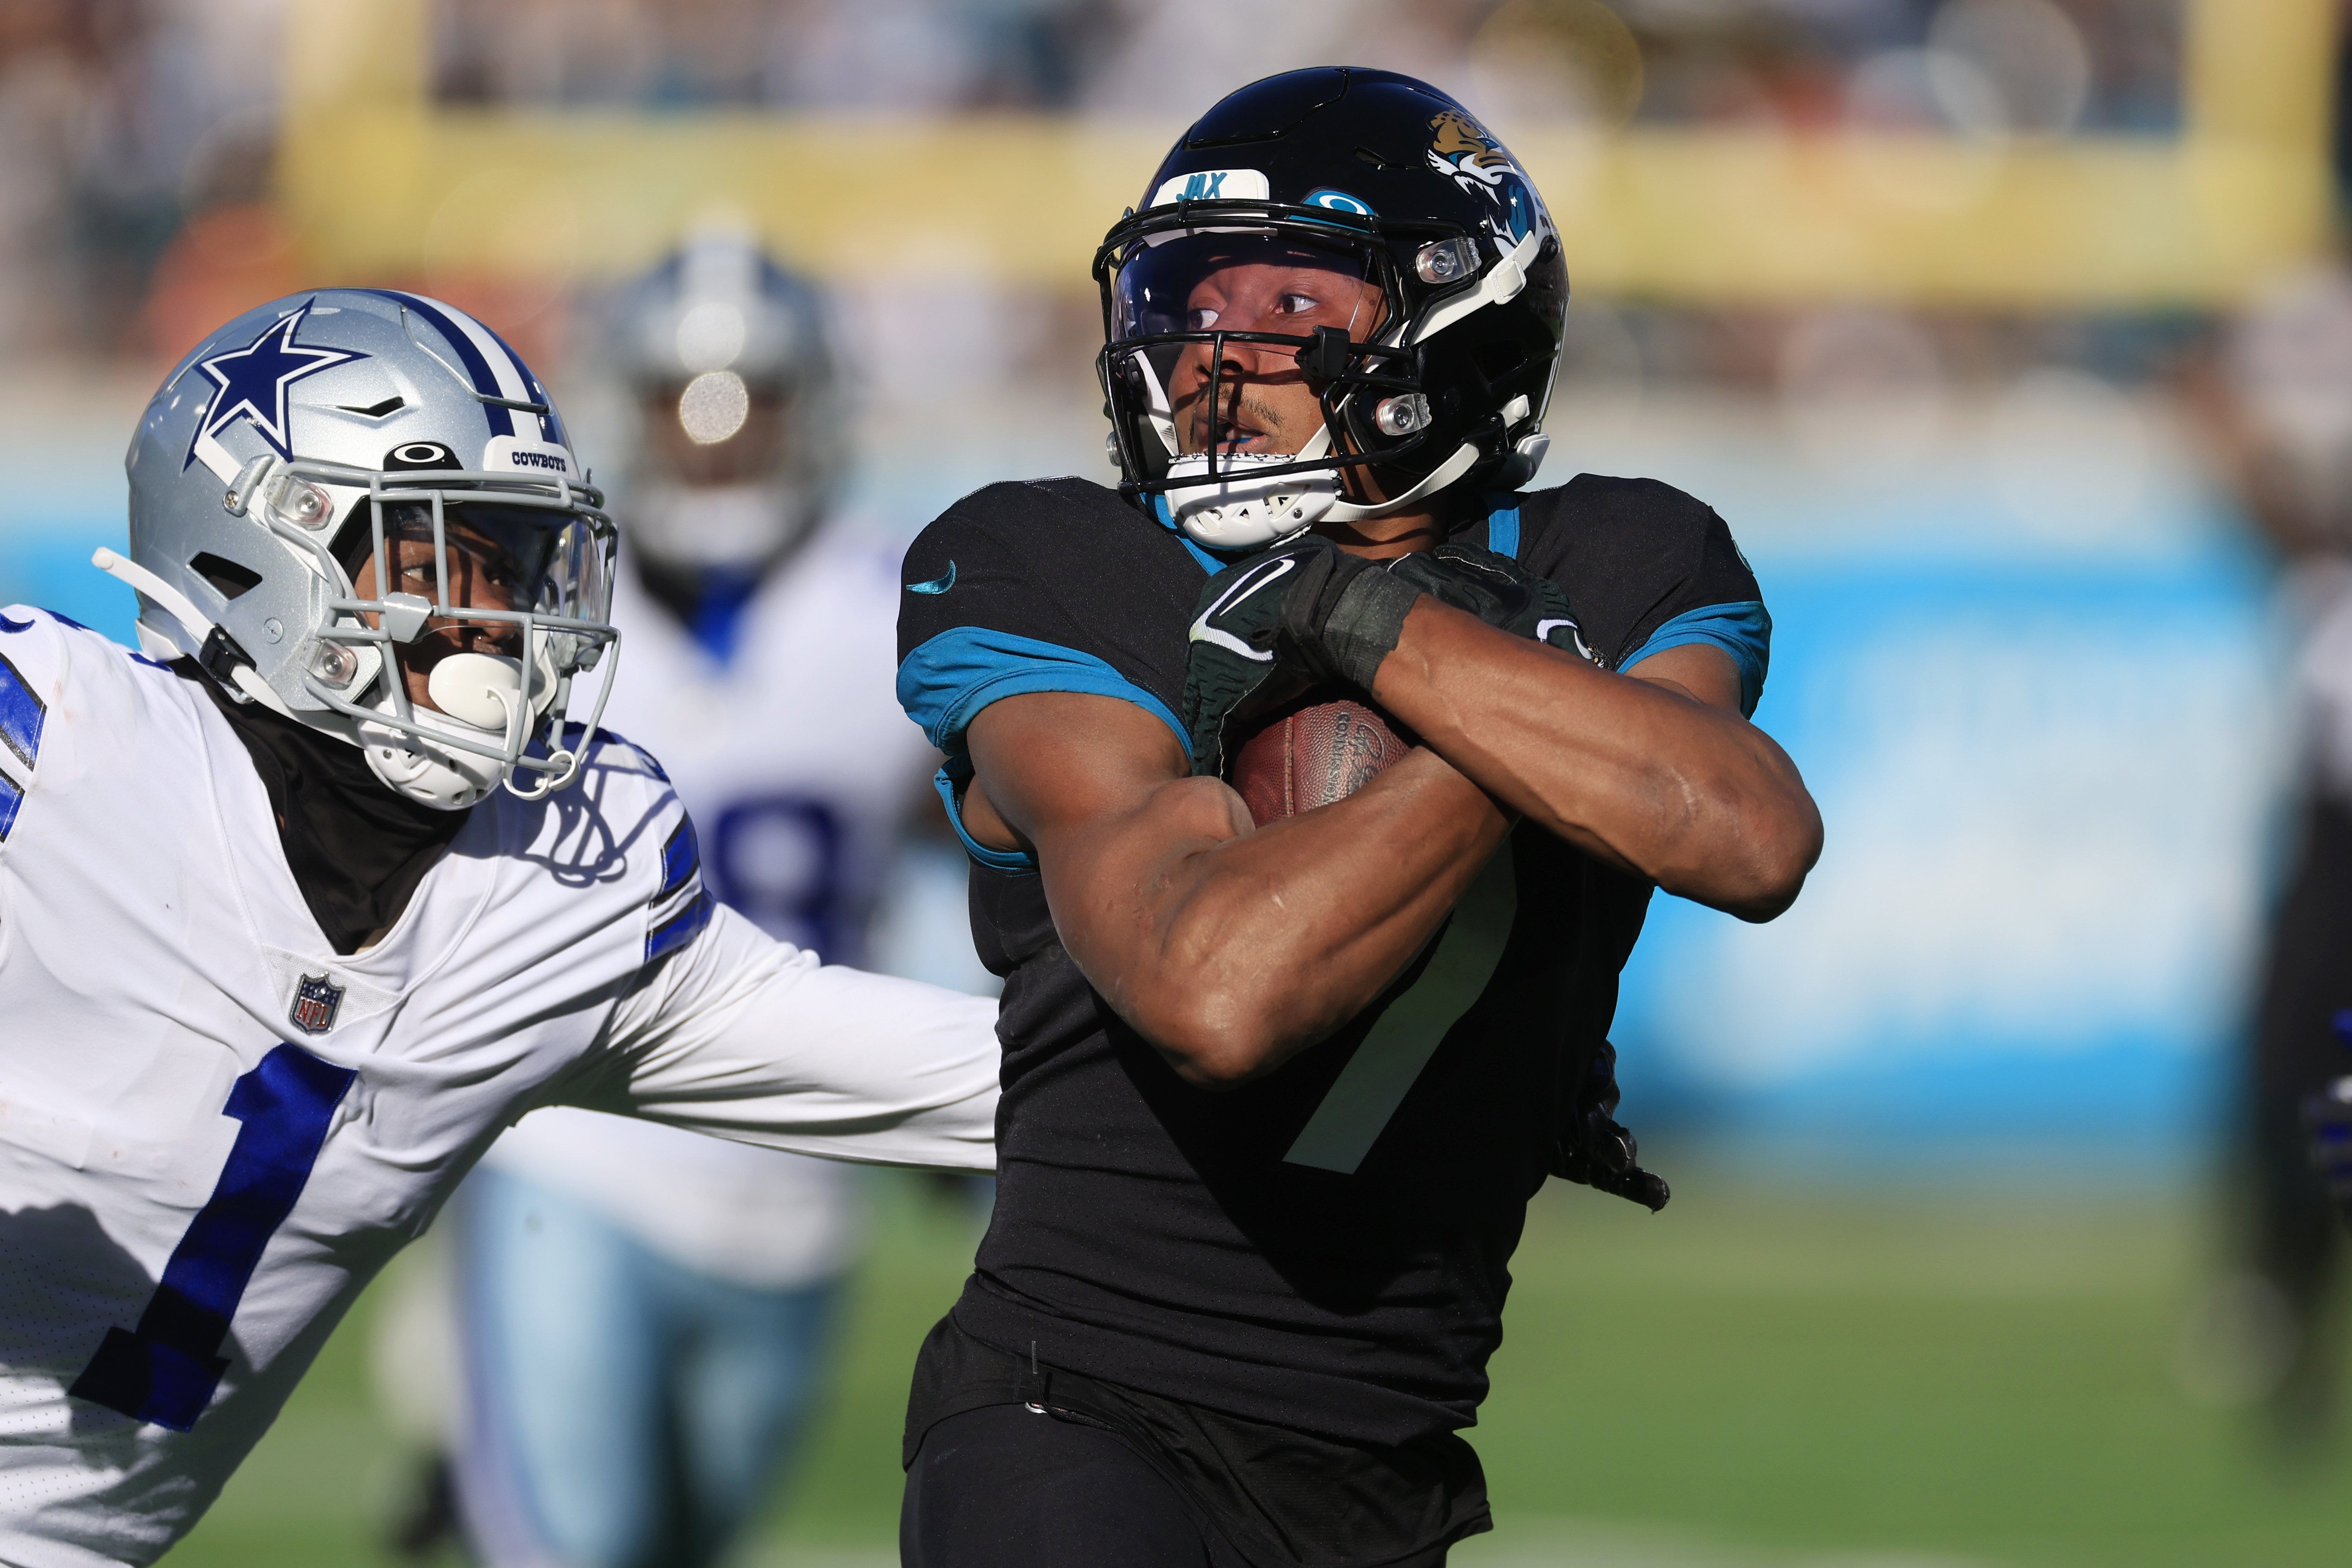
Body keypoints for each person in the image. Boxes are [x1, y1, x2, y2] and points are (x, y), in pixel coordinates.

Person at [892, 68, 1821, 1568]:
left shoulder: (1627, 548)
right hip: (1080, 1417)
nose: (1209, 358)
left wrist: (1366, 622)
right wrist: (1529, 725)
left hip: (1391, 1462)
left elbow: (1746, 834)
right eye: (1185, 298)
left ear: (1459, 327)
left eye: (1285, 306)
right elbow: (1219, 988)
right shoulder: (1052, 560)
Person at [0, 287, 999, 1568]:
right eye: (437, 559)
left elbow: (987, 1083)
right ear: (256, 548)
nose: (501, 621)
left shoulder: (562, 882)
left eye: (517, 563)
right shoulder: (60, 750)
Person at [442, 236, 947, 1568]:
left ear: (815, 408)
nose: (715, 435)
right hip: (574, 1159)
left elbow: (994, 850)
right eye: (684, 396)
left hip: (796, 1195)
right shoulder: (544, 601)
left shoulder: (896, 605)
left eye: (752, 399)